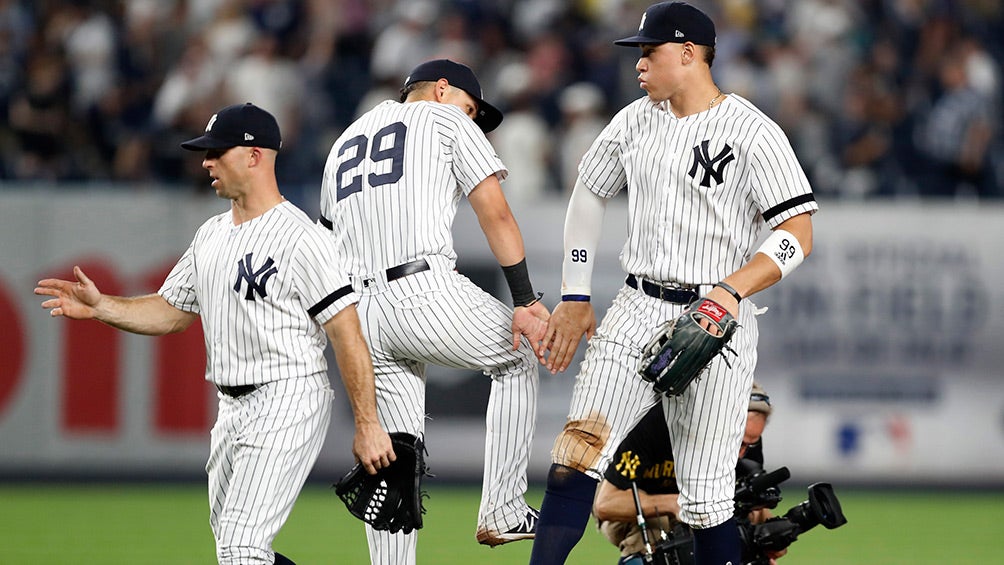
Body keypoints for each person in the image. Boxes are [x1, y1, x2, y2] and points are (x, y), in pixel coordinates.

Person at [34, 102, 395, 565]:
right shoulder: (211, 234)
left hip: (287, 396)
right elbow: (170, 311)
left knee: (242, 549)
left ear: (254, 156)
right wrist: (103, 305)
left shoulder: (301, 238)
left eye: (217, 151)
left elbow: (347, 332)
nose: (206, 162)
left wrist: (367, 424)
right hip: (230, 406)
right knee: (235, 550)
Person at [531, 3, 817, 564]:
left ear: (688, 53)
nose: (638, 64)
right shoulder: (635, 119)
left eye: (648, 51)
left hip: (718, 323)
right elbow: (588, 191)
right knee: (575, 457)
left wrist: (733, 289)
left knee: (708, 502)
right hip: (637, 305)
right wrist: (577, 293)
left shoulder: (752, 131)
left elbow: (798, 232)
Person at [317, 59, 550, 564]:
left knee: (396, 466)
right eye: (470, 108)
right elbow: (496, 211)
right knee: (518, 356)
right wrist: (526, 300)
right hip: (419, 288)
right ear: (441, 90)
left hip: (358, 312)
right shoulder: (444, 120)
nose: (471, 119)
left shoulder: (343, 143)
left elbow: (326, 244)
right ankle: (504, 508)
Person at [594, 383, 785, 564]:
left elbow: (747, 503)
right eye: (739, 442)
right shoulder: (653, 422)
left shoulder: (747, 439)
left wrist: (766, 539)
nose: (742, 453)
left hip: (700, 504)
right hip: (639, 509)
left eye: (750, 444)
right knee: (665, 536)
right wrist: (675, 504)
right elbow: (605, 504)